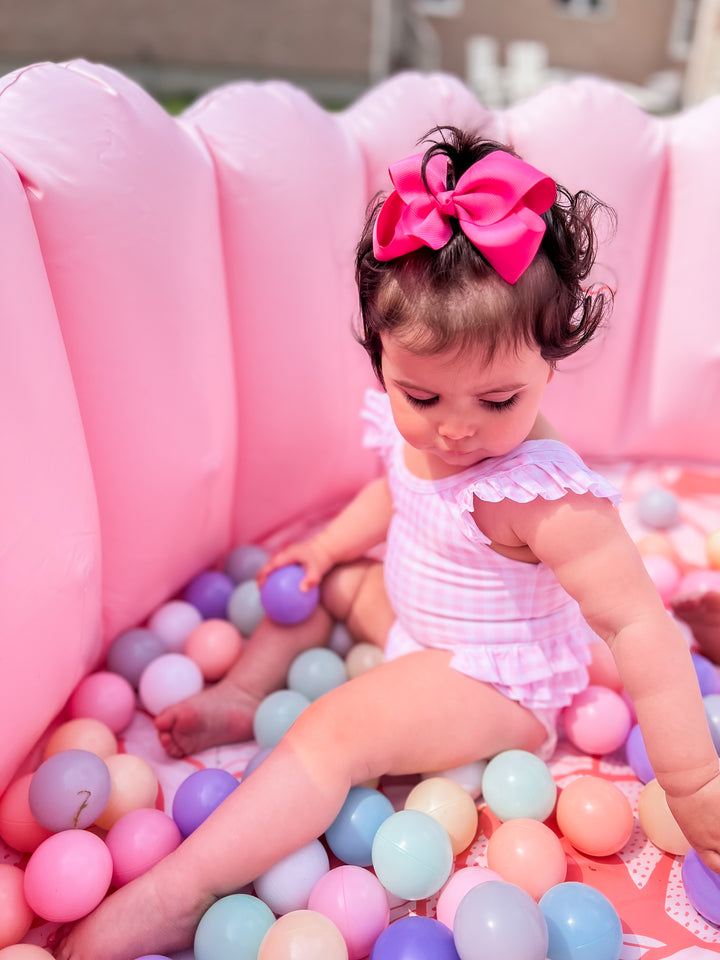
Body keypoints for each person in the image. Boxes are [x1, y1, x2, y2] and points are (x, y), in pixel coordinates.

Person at [55, 127, 720, 960]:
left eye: (498, 399)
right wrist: (331, 548)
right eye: (421, 394)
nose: (454, 430)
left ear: (552, 363)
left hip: (493, 678)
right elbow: (396, 496)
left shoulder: (546, 499)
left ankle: (182, 890)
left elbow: (634, 627)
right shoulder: (434, 433)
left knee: (336, 730)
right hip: (412, 615)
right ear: (380, 358)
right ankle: (247, 687)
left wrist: (695, 785)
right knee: (317, 585)